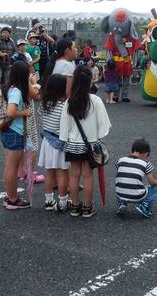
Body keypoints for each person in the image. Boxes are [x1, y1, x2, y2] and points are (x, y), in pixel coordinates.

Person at [59, 65, 111, 218]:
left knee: (74, 175)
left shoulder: (69, 102)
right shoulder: (95, 101)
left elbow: (63, 127)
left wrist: (66, 139)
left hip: (72, 144)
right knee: (88, 176)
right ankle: (87, 207)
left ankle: (75, 206)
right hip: (90, 144)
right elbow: (104, 126)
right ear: (89, 82)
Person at [0, 61, 36, 209]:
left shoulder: (10, 87)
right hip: (15, 132)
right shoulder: (17, 91)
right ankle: (12, 199)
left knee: (9, 166)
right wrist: (25, 113)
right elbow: (11, 112)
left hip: (8, 131)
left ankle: (10, 195)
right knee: (12, 168)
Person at [38, 74, 70, 212]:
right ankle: (63, 201)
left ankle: (48, 200)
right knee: (63, 172)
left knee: (49, 172)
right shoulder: (64, 104)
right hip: (60, 141)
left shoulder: (44, 102)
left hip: (47, 140)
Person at [114, 138, 157, 218]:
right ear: (146, 154)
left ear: (131, 151)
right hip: (137, 197)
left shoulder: (120, 160)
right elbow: (151, 182)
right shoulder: (146, 164)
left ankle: (121, 203)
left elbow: (122, 174)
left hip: (120, 194)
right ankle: (144, 205)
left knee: (123, 183)